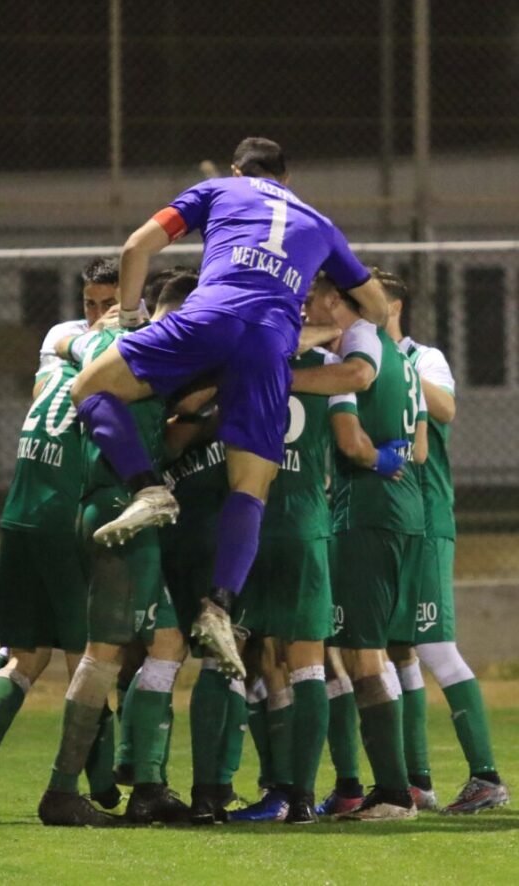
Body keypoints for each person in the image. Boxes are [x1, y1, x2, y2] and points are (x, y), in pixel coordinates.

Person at [68, 137, 389, 679]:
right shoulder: (320, 224)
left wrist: (127, 316)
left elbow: (135, 249)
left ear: (240, 169)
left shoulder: (219, 188)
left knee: (89, 390)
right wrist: (334, 324)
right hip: (270, 343)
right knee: (251, 486)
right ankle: (218, 606)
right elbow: (376, 307)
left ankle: (148, 488)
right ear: (288, 180)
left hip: (209, 316)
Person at [0, 259, 121, 821]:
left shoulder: (66, 348)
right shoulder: (104, 351)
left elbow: (48, 387)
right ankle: (104, 787)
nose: (95, 313)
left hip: (20, 514)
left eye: (106, 302)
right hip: (63, 520)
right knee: (89, 654)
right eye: (88, 302)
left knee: (21, 654)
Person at [38, 272, 199, 827]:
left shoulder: (100, 341)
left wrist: (93, 330)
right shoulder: (160, 353)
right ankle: (61, 790)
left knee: (168, 641)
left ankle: (147, 782)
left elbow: (62, 341)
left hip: (120, 509)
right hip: (119, 508)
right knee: (104, 653)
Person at [292, 271, 428, 821]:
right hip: (405, 512)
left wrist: (372, 458)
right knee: (374, 649)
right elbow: (417, 449)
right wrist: (389, 457)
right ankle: (385, 785)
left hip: (365, 512)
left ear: (332, 300)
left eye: (309, 301)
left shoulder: (355, 349)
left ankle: (394, 792)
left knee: (362, 651)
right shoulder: (404, 358)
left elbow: (350, 440)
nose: (304, 310)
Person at [383, 272, 509, 814]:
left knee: (435, 646)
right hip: (388, 523)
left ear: (394, 307)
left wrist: (393, 367)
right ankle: (417, 781)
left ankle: (486, 777)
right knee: (395, 647)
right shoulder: (359, 360)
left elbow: (446, 409)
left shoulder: (423, 358)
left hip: (428, 521)